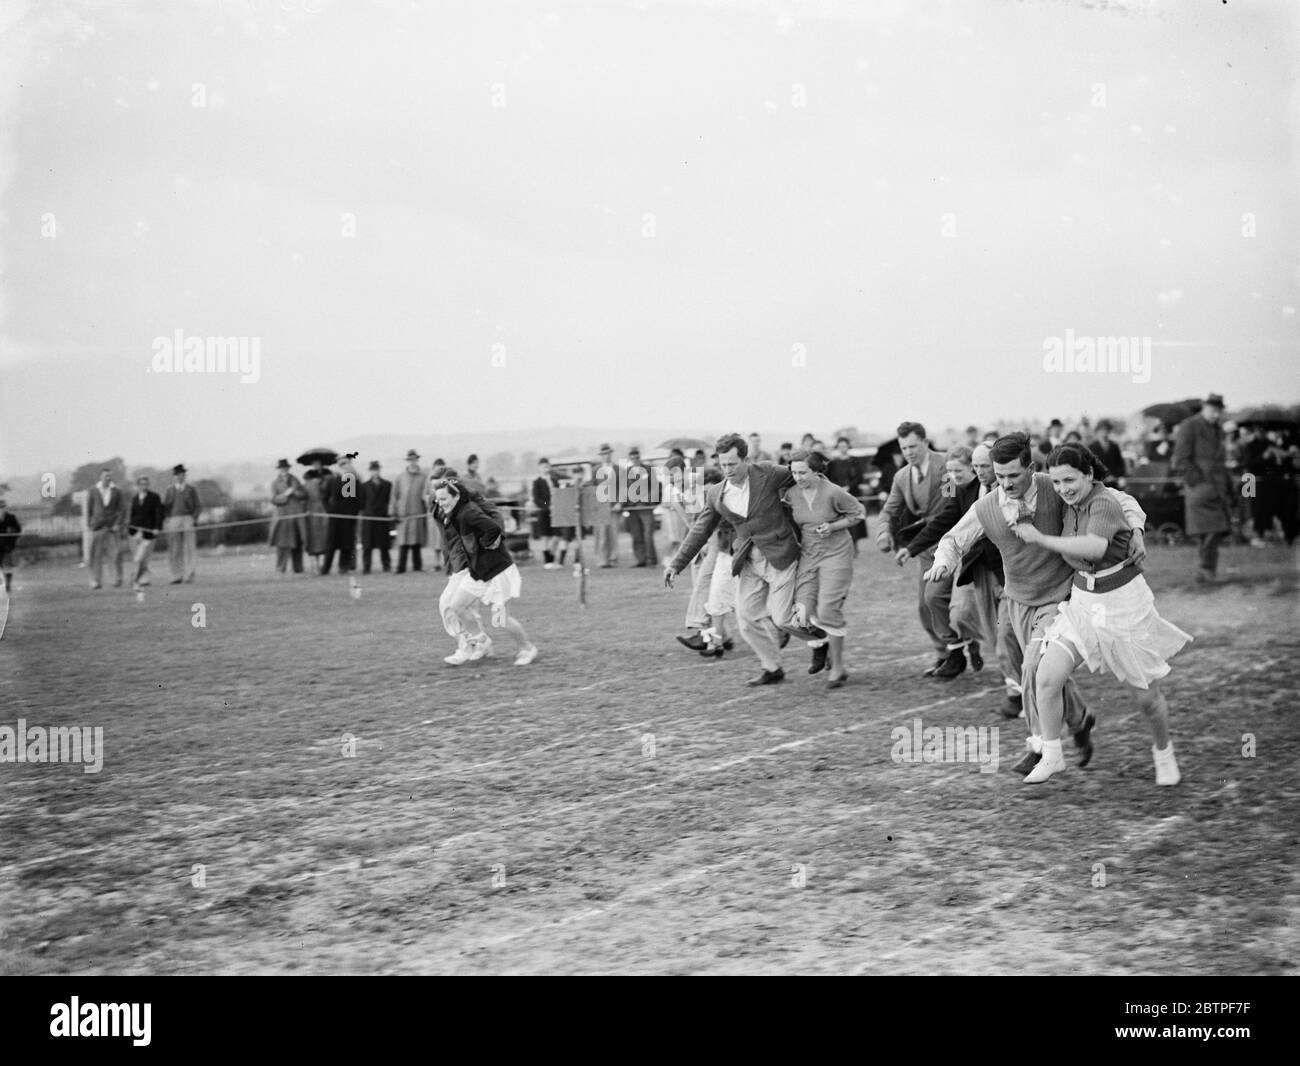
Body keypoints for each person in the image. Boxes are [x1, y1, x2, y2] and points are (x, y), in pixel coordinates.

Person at [927, 433, 1149, 775]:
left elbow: (1117, 498)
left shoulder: (1054, 486)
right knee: (1035, 669)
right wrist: (943, 561)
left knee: (1033, 665)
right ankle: (1079, 719)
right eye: (999, 477)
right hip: (1017, 598)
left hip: (1059, 595)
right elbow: (954, 538)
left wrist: (1135, 529)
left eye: (1013, 475)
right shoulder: (986, 506)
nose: (1005, 483)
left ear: (1030, 467)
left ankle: (1039, 746)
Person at [1016, 444, 1191, 785]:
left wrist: (1042, 539)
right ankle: (1052, 756)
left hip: (1124, 605)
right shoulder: (1064, 498)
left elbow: (1097, 545)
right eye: (1056, 482)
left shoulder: (1104, 501)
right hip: (1083, 602)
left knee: (1146, 699)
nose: (1063, 488)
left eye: (1070, 480)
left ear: (1090, 475)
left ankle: (1163, 752)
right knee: (1046, 675)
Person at [665, 433, 826, 687]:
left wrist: (823, 494)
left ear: (746, 459)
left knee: (783, 618)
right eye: (722, 464)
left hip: (780, 554)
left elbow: (803, 474)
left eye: (732, 464)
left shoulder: (768, 473)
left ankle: (820, 639)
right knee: (747, 620)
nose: (727, 470)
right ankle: (772, 667)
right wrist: (677, 564)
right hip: (748, 560)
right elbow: (700, 529)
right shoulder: (717, 493)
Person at [876, 422, 966, 678]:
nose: (909, 452)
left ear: (926, 442)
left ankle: (959, 651)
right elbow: (890, 509)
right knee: (924, 606)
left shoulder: (946, 467)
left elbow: (951, 506)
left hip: (954, 545)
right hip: (926, 550)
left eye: (913, 446)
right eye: (904, 447)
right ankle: (945, 653)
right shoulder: (902, 476)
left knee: (942, 600)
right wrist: (883, 531)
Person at [783, 449, 867, 688]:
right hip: (809, 554)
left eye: (803, 472)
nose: (798, 477)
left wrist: (834, 526)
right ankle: (821, 644)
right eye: (794, 472)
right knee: (800, 614)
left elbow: (859, 512)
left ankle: (838, 668)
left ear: (816, 471)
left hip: (836, 553)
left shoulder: (833, 492)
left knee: (828, 610)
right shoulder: (790, 494)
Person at [432, 477, 538, 665]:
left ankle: (527, 648)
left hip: (498, 570)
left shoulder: (468, 513)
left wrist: (486, 544)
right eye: (437, 500)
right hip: (479, 571)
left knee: (501, 619)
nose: (440, 503)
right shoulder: (454, 514)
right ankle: (481, 640)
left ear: (456, 496)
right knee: (456, 605)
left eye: (443, 499)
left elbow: (494, 528)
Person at [904, 445, 982, 675]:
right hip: (957, 555)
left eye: (958, 471)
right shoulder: (954, 488)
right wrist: (911, 548)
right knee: (933, 596)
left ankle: (976, 644)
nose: (953, 476)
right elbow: (943, 519)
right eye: (950, 472)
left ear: (973, 468)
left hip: (985, 559)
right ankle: (955, 652)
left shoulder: (988, 489)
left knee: (967, 611)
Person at [1171, 393, 1233, 583]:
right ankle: (1206, 570)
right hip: (1199, 488)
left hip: (1217, 487)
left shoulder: (1218, 429)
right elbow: (1180, 459)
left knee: (1215, 530)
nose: (1217, 415)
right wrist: (1196, 479)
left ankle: (1206, 570)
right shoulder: (1189, 426)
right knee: (1210, 530)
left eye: (1219, 411)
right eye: (1214, 411)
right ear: (1204, 408)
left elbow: (1220, 459)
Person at [322, 454, 362, 575]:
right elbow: (325, 498)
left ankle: (343, 567)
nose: (344, 466)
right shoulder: (331, 480)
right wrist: (329, 510)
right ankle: (325, 569)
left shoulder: (352, 480)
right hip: (334, 517)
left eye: (346, 463)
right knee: (331, 544)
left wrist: (353, 513)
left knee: (346, 543)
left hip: (348, 518)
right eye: (341, 464)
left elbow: (356, 499)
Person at [390, 449, 429, 574]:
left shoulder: (423, 477)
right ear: (408, 461)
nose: (413, 462)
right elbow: (394, 495)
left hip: (417, 513)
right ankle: (401, 567)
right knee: (403, 542)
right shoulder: (400, 477)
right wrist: (392, 511)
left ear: (417, 460)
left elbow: (426, 495)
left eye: (415, 459)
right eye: (410, 460)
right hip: (403, 514)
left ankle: (417, 566)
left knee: (416, 542)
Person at [88, 468, 127, 589]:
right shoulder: (93, 491)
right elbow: (89, 510)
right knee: (96, 556)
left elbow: (122, 510)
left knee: (115, 554)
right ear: (101, 477)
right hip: (98, 527)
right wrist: (91, 524)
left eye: (110, 476)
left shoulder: (117, 491)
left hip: (112, 528)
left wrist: (117, 524)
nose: (108, 478)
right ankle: (95, 581)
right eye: (106, 476)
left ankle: (116, 579)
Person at [161, 464, 200, 584]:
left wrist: (194, 518)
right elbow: (166, 506)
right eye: (179, 474)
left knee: (189, 548)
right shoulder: (170, 490)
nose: (181, 477)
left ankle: (189, 575)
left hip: (188, 518)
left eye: (183, 474)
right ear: (175, 476)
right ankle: (176, 575)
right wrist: (167, 519)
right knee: (175, 548)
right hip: (174, 519)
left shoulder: (191, 489)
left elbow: (197, 506)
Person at [268, 460, 308, 574]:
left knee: (297, 543)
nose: (283, 469)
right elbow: (274, 500)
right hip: (283, 517)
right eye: (281, 468)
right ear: (279, 469)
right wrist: (285, 495)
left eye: (285, 467)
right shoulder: (275, 483)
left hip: (296, 516)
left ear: (288, 468)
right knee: (282, 544)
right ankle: (280, 568)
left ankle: (298, 568)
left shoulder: (295, 480)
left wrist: (294, 492)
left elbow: (304, 495)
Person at [623, 446, 659, 567]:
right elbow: (623, 490)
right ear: (630, 458)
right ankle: (641, 559)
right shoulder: (626, 472)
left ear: (640, 457)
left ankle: (651, 559)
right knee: (636, 535)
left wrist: (647, 498)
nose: (635, 459)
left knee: (648, 534)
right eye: (632, 458)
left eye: (637, 457)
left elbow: (656, 487)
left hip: (646, 507)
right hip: (632, 508)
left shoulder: (649, 470)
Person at [127, 475, 165, 589]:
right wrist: (131, 529)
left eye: (146, 484)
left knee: (142, 557)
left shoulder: (154, 497)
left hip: (149, 533)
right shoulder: (135, 499)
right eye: (142, 484)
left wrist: (157, 527)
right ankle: (142, 578)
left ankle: (138, 578)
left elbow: (159, 514)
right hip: (136, 533)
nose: (144, 487)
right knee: (138, 558)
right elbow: (133, 515)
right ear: (138, 486)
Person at [532, 458, 570, 569]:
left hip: (556, 512)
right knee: (546, 537)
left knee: (557, 536)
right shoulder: (537, 482)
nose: (546, 469)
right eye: (543, 467)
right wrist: (547, 506)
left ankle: (552, 557)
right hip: (544, 513)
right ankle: (548, 561)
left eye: (547, 466)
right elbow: (537, 499)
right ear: (539, 468)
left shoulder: (555, 480)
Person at [359, 460, 393, 574]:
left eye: (377, 470)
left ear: (379, 470)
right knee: (367, 545)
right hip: (368, 518)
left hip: (382, 518)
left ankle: (386, 566)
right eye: (373, 470)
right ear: (370, 471)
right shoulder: (364, 486)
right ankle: (366, 567)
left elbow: (389, 501)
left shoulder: (387, 484)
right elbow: (361, 502)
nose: (375, 472)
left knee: (384, 545)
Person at [591, 444, 621, 567]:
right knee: (601, 535)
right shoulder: (595, 470)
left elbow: (623, 488)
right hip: (601, 506)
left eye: (608, 453)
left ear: (611, 454)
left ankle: (613, 558)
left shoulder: (618, 469)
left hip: (614, 506)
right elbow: (592, 489)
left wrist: (620, 503)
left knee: (613, 534)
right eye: (604, 454)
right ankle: (602, 560)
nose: (606, 456)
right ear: (601, 456)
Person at [301, 459, 332, 573]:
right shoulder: (311, 478)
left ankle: (319, 565)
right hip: (314, 513)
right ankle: (316, 565)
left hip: (320, 512)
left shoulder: (327, 476)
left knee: (321, 539)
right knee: (315, 539)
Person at [1088, 419, 1126, 488]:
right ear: (1097, 431)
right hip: (1098, 483)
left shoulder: (1114, 446)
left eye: (1106, 430)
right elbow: (1089, 466)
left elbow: (1121, 465)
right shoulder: (1092, 447)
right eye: (1102, 430)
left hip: (1113, 482)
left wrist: (1113, 476)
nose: (1104, 433)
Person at [0, 499, 21, 593]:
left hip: (7, 546)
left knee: (8, 566)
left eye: (2, 507)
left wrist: (11, 540)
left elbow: (17, 530)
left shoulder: (11, 518)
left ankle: (8, 584)